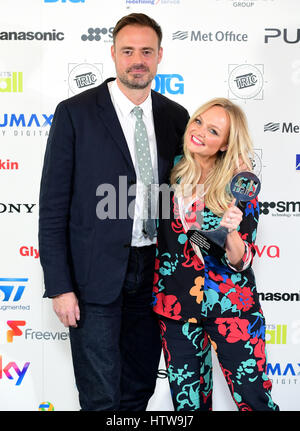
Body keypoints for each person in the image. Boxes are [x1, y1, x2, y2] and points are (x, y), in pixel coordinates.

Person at [38, 13, 190, 411]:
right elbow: (53, 207)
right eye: (128, 51)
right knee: (100, 395)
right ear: (113, 55)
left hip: (156, 273)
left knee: (139, 388)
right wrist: (59, 285)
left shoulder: (176, 117)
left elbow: (184, 202)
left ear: (160, 56)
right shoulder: (76, 112)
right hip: (93, 279)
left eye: (146, 51)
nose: (137, 60)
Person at [152, 97, 279, 411]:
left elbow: (241, 259)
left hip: (232, 307)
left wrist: (232, 230)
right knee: (189, 405)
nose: (200, 132)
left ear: (225, 144)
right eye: (198, 122)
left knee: (254, 400)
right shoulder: (169, 171)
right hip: (176, 307)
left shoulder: (239, 185)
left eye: (213, 131)